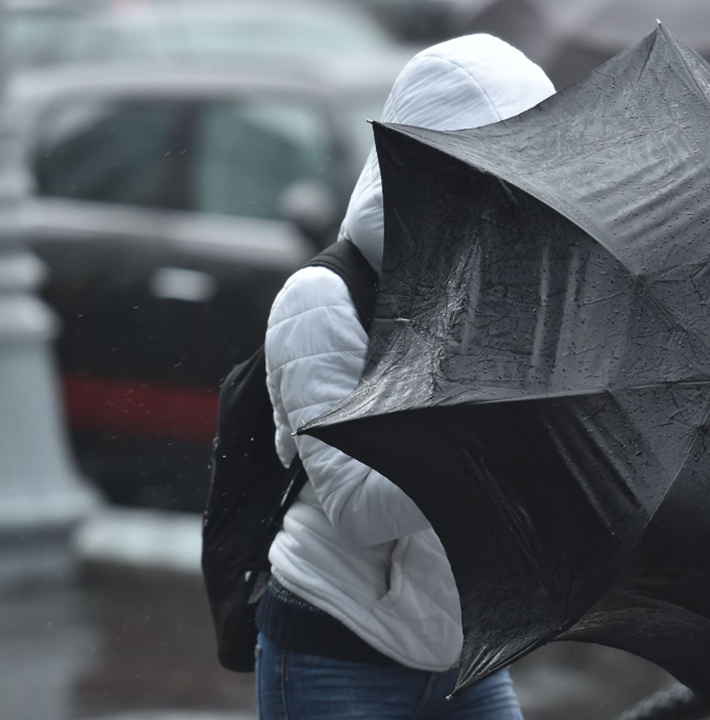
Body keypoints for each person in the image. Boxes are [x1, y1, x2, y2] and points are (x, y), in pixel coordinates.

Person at [258, 35, 556, 720]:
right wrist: (500, 418)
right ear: (433, 166)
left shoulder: (495, 296)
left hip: (462, 649)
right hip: (336, 648)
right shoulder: (322, 301)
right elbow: (361, 509)